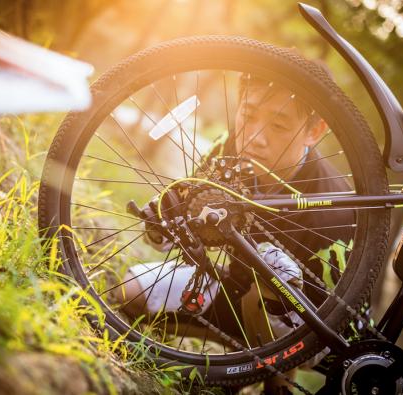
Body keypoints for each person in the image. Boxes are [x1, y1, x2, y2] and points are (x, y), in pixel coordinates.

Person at [115, 67, 355, 394]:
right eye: (248, 114)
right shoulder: (228, 148)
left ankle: (277, 385)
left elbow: (329, 318)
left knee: (272, 277)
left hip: (301, 324)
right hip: (232, 285)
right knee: (131, 290)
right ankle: (211, 364)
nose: (254, 137)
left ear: (314, 131)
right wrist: (166, 219)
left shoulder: (333, 208)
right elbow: (186, 219)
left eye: (279, 125)